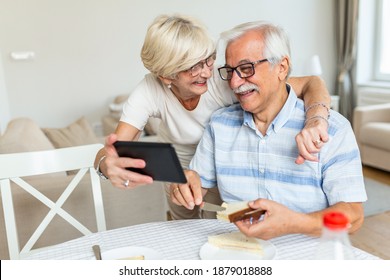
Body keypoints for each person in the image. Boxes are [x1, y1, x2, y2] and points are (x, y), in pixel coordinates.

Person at [94, 14, 331, 221]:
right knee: (184, 228)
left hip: (222, 165)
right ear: (166, 75)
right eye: (193, 67)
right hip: (179, 171)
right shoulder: (149, 90)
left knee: (218, 225)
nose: (207, 71)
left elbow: (312, 82)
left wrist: (316, 120)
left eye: (208, 59)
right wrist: (107, 164)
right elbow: (114, 149)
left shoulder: (224, 79)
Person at [170, 20, 366, 238]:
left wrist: (296, 223)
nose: (235, 83)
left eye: (246, 68)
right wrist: (187, 185)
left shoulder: (333, 129)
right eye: (230, 70)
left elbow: (354, 215)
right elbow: (197, 184)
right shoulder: (219, 124)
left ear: (281, 68)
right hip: (237, 252)